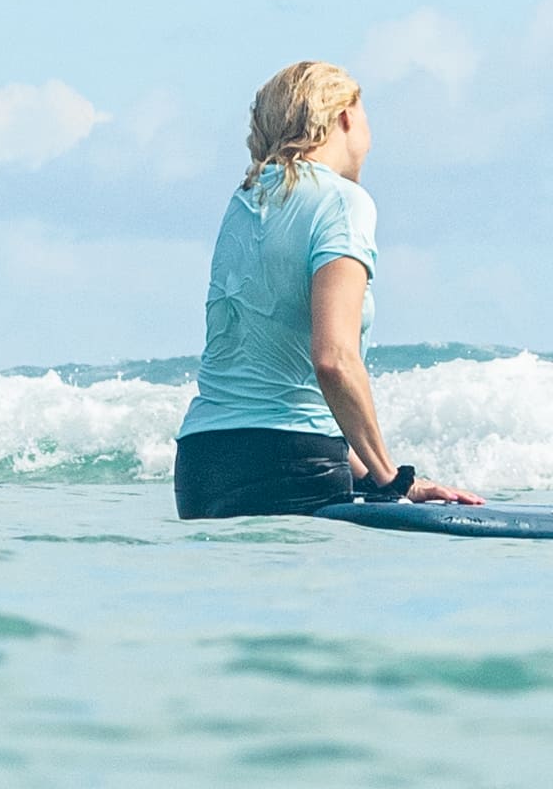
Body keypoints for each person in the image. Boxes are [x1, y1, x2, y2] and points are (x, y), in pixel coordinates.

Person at [174, 60, 481, 521]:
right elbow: (334, 360)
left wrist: (360, 469)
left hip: (201, 464)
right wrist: (392, 479)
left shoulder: (244, 202)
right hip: (291, 464)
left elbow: (275, 378)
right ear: (345, 118)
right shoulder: (343, 202)